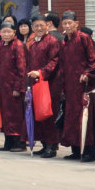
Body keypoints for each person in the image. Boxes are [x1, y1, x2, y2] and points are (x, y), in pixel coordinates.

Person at [41, 11, 95, 162]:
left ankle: (89, 151)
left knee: (85, 119)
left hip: (83, 86)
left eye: (70, 23)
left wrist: (88, 73)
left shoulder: (84, 38)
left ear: (77, 24)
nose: (67, 26)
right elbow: (61, 65)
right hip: (69, 87)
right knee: (72, 119)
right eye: (65, 23)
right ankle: (76, 150)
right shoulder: (64, 42)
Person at [26, 13, 62, 157]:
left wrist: (40, 73)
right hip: (36, 83)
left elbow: (54, 61)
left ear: (47, 25)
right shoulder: (34, 43)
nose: (39, 28)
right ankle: (45, 144)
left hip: (49, 83)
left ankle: (52, 146)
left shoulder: (52, 41)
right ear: (32, 27)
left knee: (48, 113)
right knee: (39, 113)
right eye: (36, 26)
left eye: (42, 25)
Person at [0, 21, 28, 151]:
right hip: (4, 87)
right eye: (4, 32)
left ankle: (19, 142)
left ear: (14, 32)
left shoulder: (18, 45)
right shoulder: (2, 46)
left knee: (16, 115)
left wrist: (18, 87)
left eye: (9, 31)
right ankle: (8, 141)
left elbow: (22, 69)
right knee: (6, 115)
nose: (6, 34)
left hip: (14, 88)